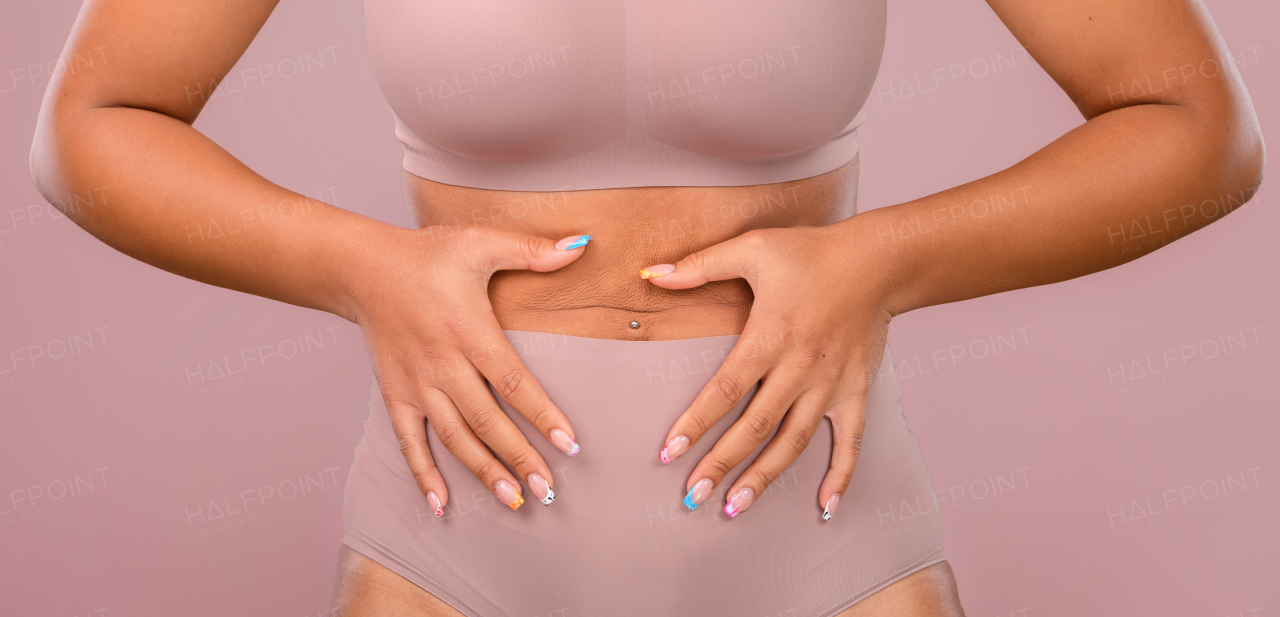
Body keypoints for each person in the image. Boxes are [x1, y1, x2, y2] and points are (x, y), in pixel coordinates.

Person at [29, 0, 1263, 615]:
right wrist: (361, 266)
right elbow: (95, 123)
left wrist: (880, 259)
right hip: (452, 531)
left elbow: (1194, 131)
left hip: (823, 526)